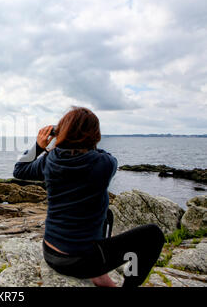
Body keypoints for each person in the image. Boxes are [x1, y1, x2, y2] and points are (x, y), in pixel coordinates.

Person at [13, 106, 165, 287]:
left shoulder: (50, 160)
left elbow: (19, 170)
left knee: (106, 214)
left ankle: (99, 275)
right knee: (153, 235)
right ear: (94, 135)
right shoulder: (104, 164)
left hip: (51, 253)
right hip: (82, 262)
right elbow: (105, 156)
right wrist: (84, 142)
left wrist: (38, 146)